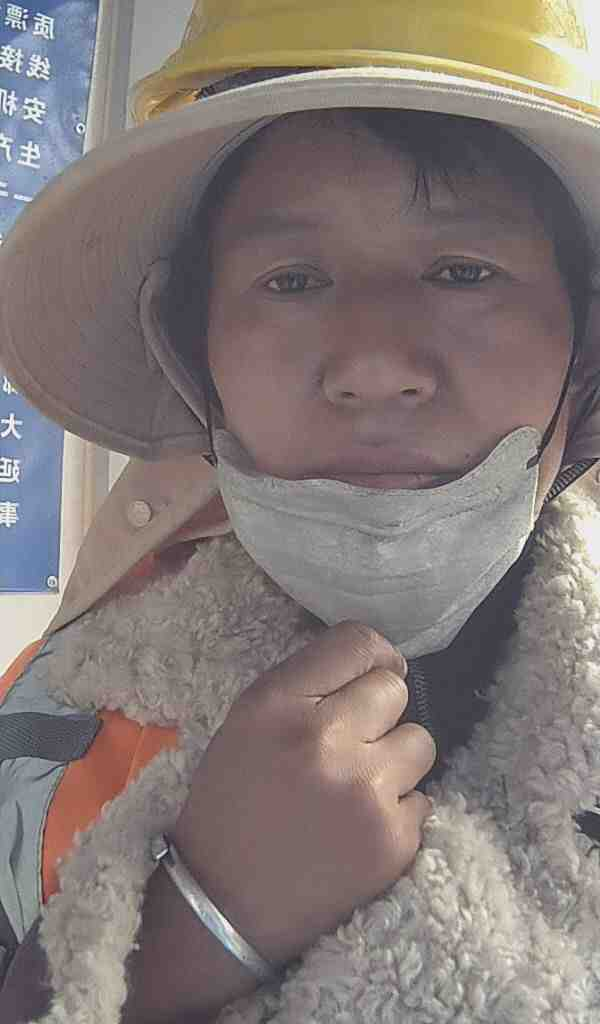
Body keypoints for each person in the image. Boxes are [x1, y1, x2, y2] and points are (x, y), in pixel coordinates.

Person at [2, 2, 600, 1021]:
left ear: (585, 353)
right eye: (292, 280)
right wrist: (193, 926)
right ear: (191, 359)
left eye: (462, 272)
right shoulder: (51, 723)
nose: (374, 363)